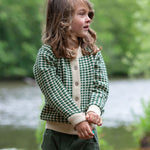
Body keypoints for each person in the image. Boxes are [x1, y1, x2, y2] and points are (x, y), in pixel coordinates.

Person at [33, 0, 109, 149]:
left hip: (88, 138)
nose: (88, 19)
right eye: (82, 14)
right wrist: (77, 119)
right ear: (63, 19)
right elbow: (54, 91)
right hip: (56, 137)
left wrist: (94, 109)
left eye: (89, 14)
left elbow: (101, 85)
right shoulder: (47, 55)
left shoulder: (92, 52)